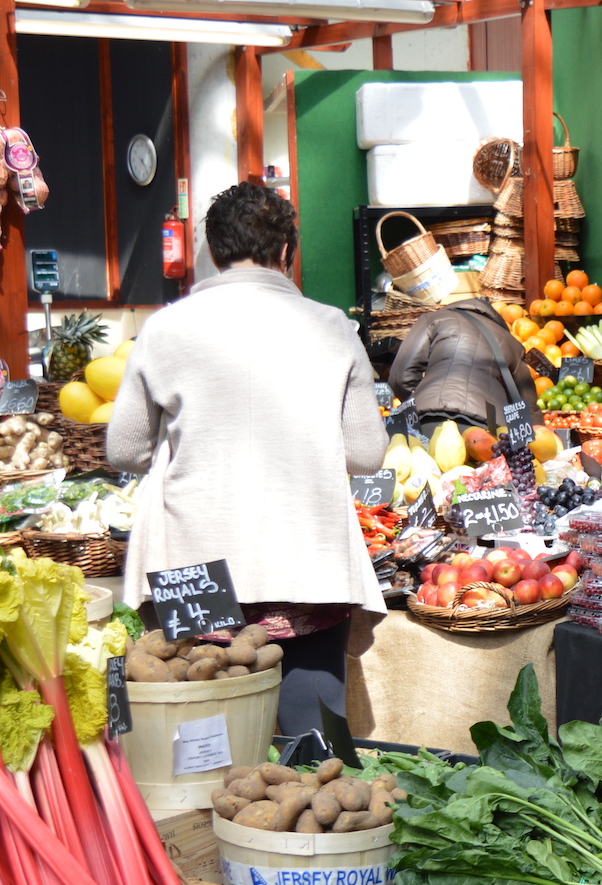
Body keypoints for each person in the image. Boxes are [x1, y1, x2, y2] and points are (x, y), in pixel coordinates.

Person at [109, 181, 386, 737]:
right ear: (287, 253)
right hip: (307, 565)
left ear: (212, 252)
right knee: (314, 750)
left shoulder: (163, 328)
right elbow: (366, 452)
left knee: (206, 745)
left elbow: (124, 449)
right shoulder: (333, 327)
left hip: (197, 568)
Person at [389, 293, 539, 433]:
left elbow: (400, 378)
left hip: (430, 418)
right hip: (489, 428)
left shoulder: (435, 319)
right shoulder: (511, 342)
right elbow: (528, 406)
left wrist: (421, 399)